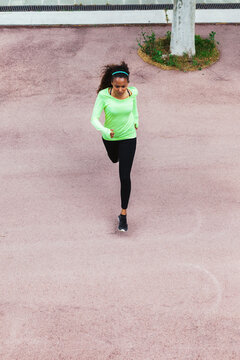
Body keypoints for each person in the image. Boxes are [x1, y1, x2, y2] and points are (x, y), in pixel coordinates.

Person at [90, 61, 139, 232]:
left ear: (127, 84)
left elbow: (134, 107)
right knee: (114, 159)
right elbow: (94, 119)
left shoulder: (132, 93)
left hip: (128, 137)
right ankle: (116, 154)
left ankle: (123, 215)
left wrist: (137, 121)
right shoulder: (103, 96)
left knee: (124, 176)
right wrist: (104, 130)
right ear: (112, 83)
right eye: (117, 86)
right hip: (110, 138)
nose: (120, 90)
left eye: (123, 86)